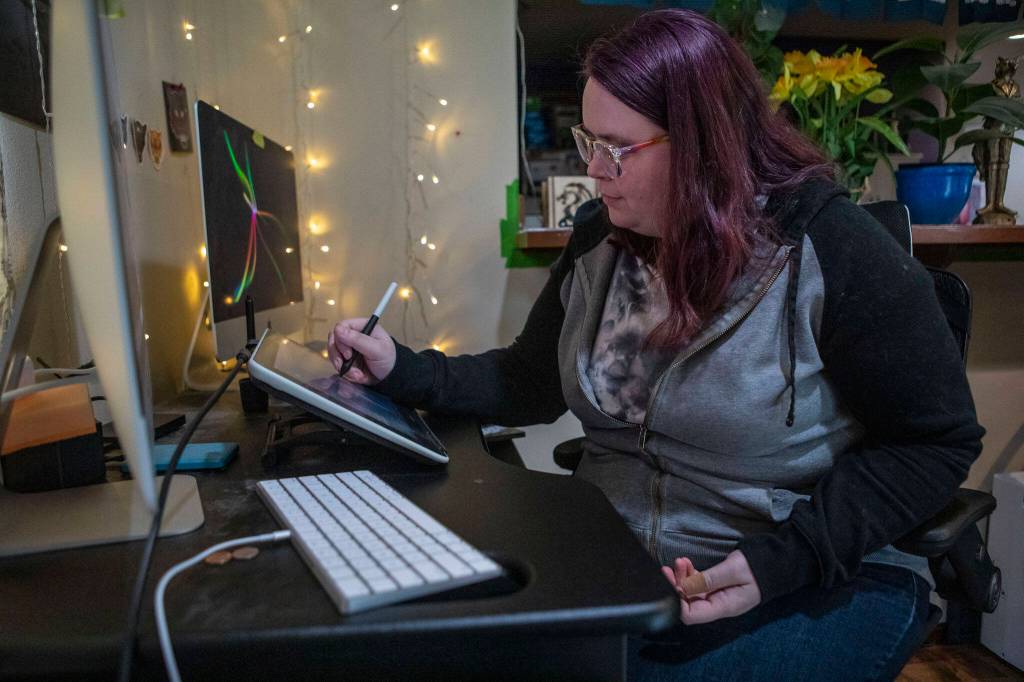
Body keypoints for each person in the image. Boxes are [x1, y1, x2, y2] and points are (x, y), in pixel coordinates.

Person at [328, 9, 983, 680]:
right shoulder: (601, 240)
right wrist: (400, 369)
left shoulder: (829, 248)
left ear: (704, 145)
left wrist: (786, 560)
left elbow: (936, 441)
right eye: (589, 141)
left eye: (616, 148)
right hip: (621, 563)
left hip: (798, 572)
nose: (594, 169)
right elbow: (529, 381)